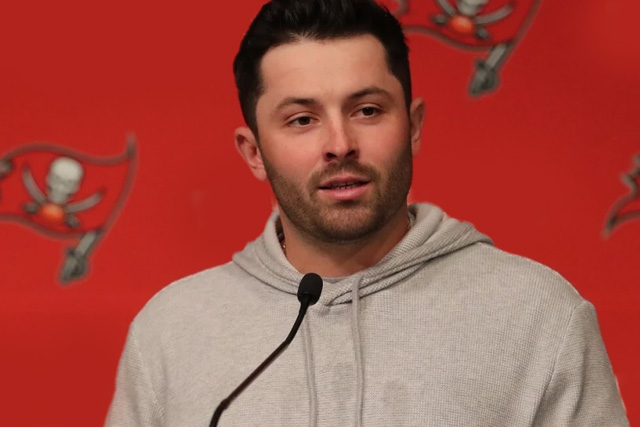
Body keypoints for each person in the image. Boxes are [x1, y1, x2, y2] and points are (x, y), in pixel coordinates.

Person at [105, 0, 629, 425]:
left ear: (413, 126)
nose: (340, 144)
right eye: (302, 119)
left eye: (368, 110)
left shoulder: (537, 316)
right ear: (253, 152)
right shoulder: (171, 331)